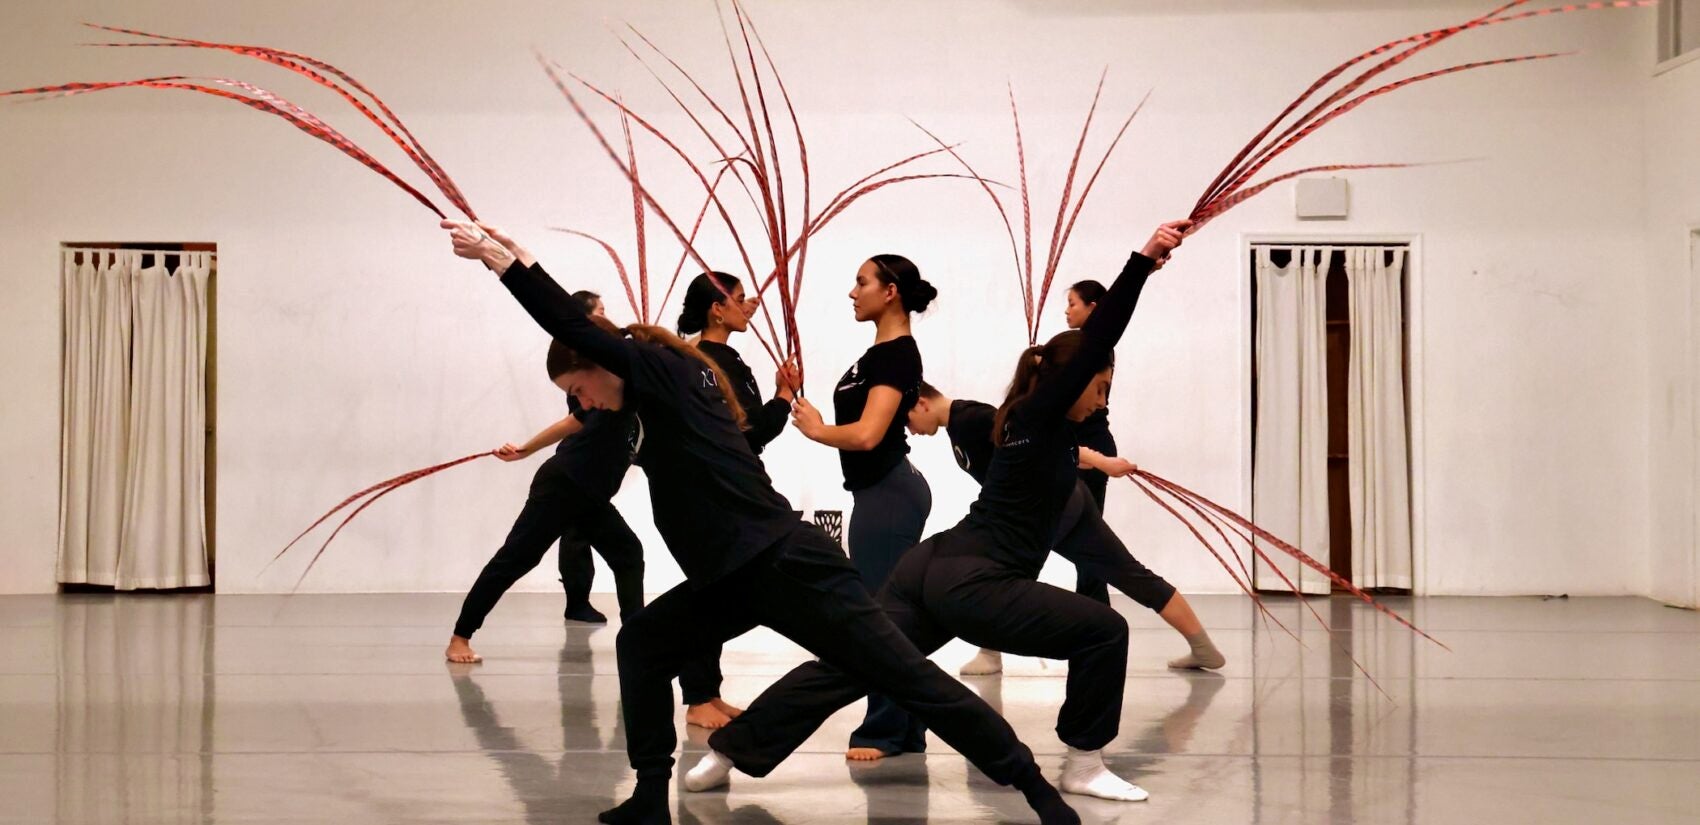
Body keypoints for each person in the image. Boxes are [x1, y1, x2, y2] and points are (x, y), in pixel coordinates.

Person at [441, 220, 1084, 825]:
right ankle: (647, 795)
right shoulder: (661, 384)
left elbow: (580, 328)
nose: (578, 403)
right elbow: (590, 345)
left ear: (599, 365)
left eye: (576, 388)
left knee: (908, 677)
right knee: (641, 644)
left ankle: (1034, 788)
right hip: (733, 575)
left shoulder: (663, 370)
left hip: (787, 565)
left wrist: (510, 264)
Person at [685, 220, 1191, 805]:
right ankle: (1083, 761)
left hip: (931, 567)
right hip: (980, 580)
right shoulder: (1039, 416)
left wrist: (1104, 462)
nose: (1101, 398)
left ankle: (727, 753)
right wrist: (1143, 261)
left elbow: (1066, 441)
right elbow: (1101, 336)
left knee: (855, 661)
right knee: (1106, 630)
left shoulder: (1018, 420)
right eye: (1098, 386)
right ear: (1068, 382)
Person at [906, 381, 1225, 670]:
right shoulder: (958, 425)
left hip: (1048, 507)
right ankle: (1203, 647)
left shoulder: (971, 418)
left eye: (907, 420)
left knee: (1000, 574)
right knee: (1126, 571)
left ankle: (990, 654)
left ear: (922, 403)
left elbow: (1045, 444)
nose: (910, 430)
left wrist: (1102, 463)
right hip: (1065, 498)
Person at [789, 254, 936, 761]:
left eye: (861, 282)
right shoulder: (877, 354)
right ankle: (906, 728)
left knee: (881, 618)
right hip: (879, 494)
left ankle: (888, 731)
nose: (853, 292)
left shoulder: (897, 354)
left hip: (890, 494)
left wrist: (816, 432)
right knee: (887, 613)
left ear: (890, 291)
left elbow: (870, 434)